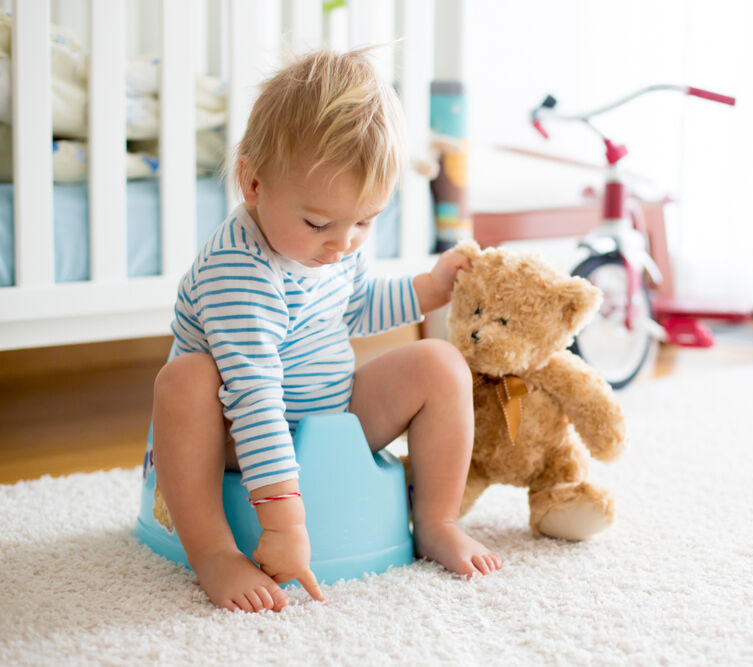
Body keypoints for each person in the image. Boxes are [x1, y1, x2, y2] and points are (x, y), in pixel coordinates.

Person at [148, 48, 501, 614]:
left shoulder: (334, 247)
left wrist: (428, 289)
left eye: (365, 221)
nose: (344, 244)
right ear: (253, 181)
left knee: (440, 364)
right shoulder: (239, 270)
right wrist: (284, 522)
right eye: (318, 223)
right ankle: (214, 550)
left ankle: (436, 521)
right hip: (236, 435)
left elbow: (355, 307)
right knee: (185, 381)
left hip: (328, 418)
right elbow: (255, 396)